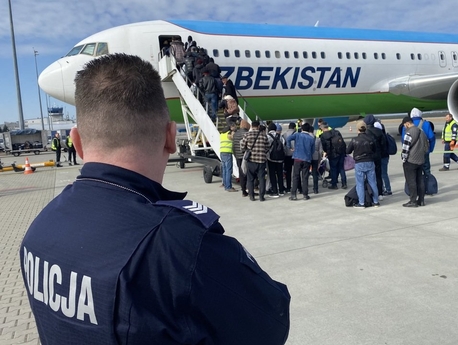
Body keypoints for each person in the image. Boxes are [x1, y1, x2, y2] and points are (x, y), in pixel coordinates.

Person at [19, 54, 290, 344]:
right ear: (171, 137)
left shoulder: (38, 229)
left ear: (77, 141)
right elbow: (272, 321)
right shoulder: (178, 245)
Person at [346, 120, 380, 208]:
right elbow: (375, 150)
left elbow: (348, 151)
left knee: (360, 183)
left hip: (359, 162)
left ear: (358, 129)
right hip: (369, 161)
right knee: (372, 182)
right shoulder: (371, 139)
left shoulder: (355, 140)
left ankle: (361, 203)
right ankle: (376, 201)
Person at [401, 116, 428, 207]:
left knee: (411, 181)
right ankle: (421, 200)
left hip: (411, 161)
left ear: (407, 124)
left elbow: (405, 148)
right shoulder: (422, 132)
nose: (405, 127)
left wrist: (404, 159)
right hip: (420, 160)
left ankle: (413, 200)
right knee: (420, 180)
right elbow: (426, 146)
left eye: (405, 125)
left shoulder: (409, 133)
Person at [402, 108, 435, 181]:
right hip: (424, 151)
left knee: (413, 174)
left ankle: (416, 189)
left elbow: (403, 140)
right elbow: (431, 138)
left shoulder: (407, 125)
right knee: (426, 170)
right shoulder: (426, 124)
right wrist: (430, 149)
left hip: (411, 154)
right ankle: (428, 187)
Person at [241, 120, 270, 201]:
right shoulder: (264, 136)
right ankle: (261, 197)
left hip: (251, 160)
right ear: (258, 126)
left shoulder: (247, 134)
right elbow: (268, 147)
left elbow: (242, 146)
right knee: (262, 179)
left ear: (251, 126)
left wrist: (248, 150)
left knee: (250, 179)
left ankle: (252, 196)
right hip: (261, 161)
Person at [285, 123, 315, 200]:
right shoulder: (311, 138)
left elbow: (288, 139)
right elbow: (313, 150)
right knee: (305, 177)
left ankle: (293, 194)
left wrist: (289, 147)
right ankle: (305, 194)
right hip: (306, 159)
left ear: (302, 129)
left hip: (297, 158)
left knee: (295, 176)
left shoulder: (297, 135)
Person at [363, 114, 386, 199]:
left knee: (369, 176)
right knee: (378, 175)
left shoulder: (365, 132)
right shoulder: (379, 131)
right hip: (378, 156)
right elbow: (384, 144)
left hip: (369, 156)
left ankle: (370, 193)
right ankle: (380, 193)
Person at [320, 124, 347, 189]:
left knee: (333, 169)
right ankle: (344, 183)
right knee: (341, 168)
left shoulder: (323, 136)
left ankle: (334, 184)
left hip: (333, 154)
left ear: (322, 129)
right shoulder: (336, 132)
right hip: (341, 153)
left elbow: (324, 147)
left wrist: (327, 153)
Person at [266, 123, 286, 197]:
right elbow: (283, 146)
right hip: (280, 159)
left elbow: (266, 147)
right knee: (280, 174)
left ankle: (275, 191)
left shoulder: (268, 137)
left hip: (271, 158)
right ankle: (281, 190)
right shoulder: (280, 137)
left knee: (272, 175)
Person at [233, 119, 250, 197]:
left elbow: (233, 146)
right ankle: (249, 189)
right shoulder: (246, 133)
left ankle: (243, 190)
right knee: (248, 173)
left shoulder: (236, 133)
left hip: (238, 156)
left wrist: (236, 155)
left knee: (241, 173)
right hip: (245, 156)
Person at [374, 121, 392, 196]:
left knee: (382, 174)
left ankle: (387, 189)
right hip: (386, 156)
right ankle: (386, 189)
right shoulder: (384, 136)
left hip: (382, 157)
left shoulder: (380, 137)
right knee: (383, 173)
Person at [220, 125, 237, 192]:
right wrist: (234, 132)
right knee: (229, 170)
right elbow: (233, 138)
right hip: (227, 153)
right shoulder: (228, 134)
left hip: (222, 152)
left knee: (224, 170)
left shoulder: (222, 134)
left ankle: (224, 184)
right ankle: (228, 187)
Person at [282, 122, 296, 192]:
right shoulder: (296, 134)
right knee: (296, 172)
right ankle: (297, 186)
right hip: (295, 155)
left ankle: (288, 187)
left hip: (287, 155)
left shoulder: (284, 135)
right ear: (294, 128)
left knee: (288, 172)